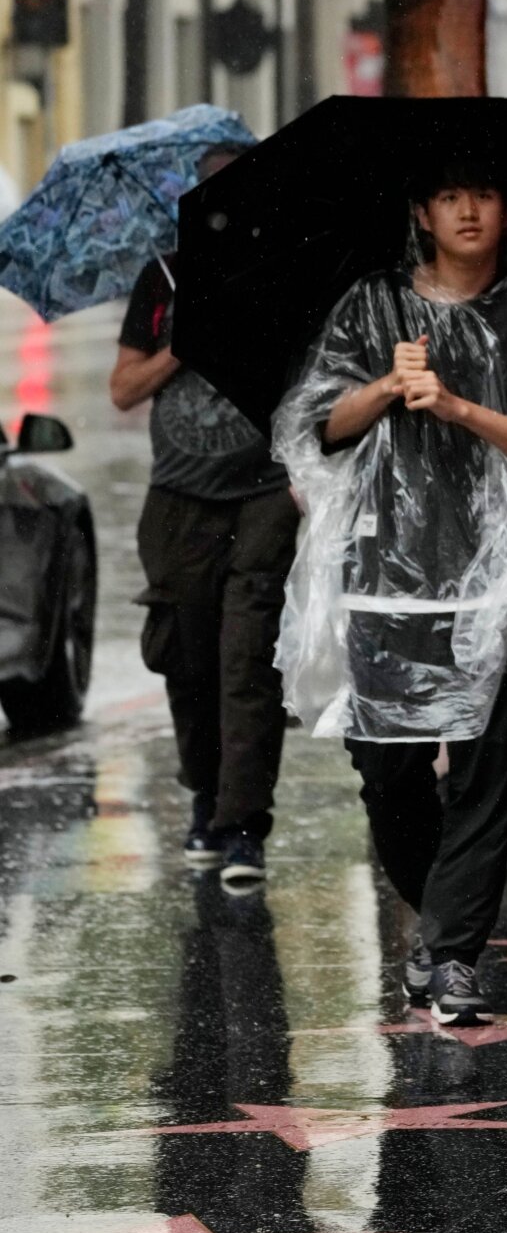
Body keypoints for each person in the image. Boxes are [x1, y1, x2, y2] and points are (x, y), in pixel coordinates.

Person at [273, 156, 507, 1025]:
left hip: (501, 582)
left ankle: (451, 954)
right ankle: (437, 927)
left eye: (482, 194)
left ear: (506, 207)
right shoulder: (372, 307)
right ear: (420, 210)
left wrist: (456, 408)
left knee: (494, 771)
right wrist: (385, 384)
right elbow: (317, 428)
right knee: (389, 774)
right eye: (448, 195)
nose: (466, 211)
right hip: (384, 582)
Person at [110, 140, 297, 886]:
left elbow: (315, 382)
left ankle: (243, 824)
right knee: (187, 659)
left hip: (262, 495)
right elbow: (124, 389)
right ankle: (204, 795)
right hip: (178, 500)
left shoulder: (285, 277)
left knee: (247, 660)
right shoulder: (160, 279)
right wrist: (182, 344)